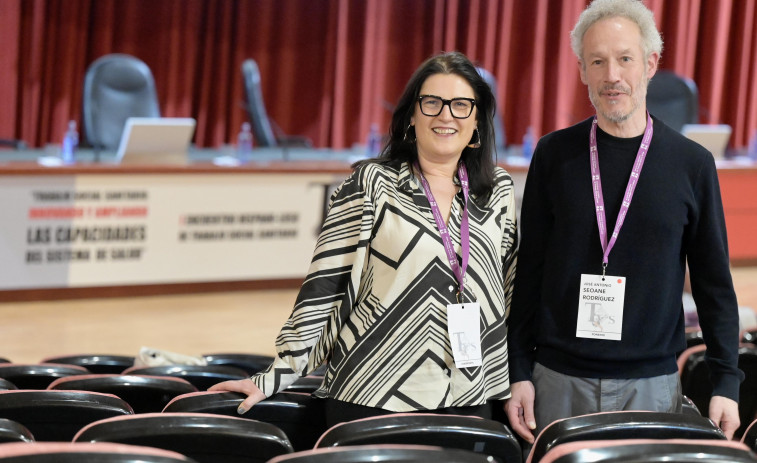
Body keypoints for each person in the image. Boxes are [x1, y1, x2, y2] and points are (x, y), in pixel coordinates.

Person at [210, 51, 518, 426]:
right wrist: (279, 372)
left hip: (469, 392)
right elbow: (327, 285)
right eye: (432, 102)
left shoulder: (497, 191)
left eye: (461, 105)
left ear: (478, 122)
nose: (446, 115)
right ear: (411, 117)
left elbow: (508, 291)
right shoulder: (371, 183)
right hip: (373, 390)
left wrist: (516, 378)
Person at [505, 0, 743, 443]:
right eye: (598, 61)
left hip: (652, 386)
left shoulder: (692, 164)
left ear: (650, 64)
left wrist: (726, 381)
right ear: (582, 71)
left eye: (625, 59)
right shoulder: (554, 155)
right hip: (556, 380)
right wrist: (518, 369)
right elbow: (529, 270)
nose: (612, 75)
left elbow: (714, 283)